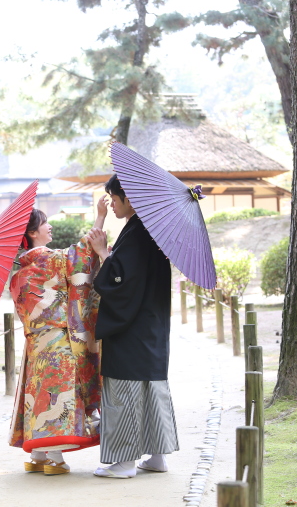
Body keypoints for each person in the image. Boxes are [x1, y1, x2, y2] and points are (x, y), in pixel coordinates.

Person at [7, 196, 108, 475]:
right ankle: (56, 459)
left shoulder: (18, 276)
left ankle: (37, 455)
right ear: (32, 232)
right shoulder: (50, 260)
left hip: (35, 345)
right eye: (45, 223)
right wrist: (100, 217)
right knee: (57, 395)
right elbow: (84, 254)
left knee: (38, 395)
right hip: (58, 343)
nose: (49, 227)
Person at [88, 174, 179, 479]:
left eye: (114, 199)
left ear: (129, 199)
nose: (112, 205)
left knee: (125, 389)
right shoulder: (148, 230)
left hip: (132, 327)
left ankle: (125, 462)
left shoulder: (138, 232)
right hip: (150, 324)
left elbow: (120, 281)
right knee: (152, 388)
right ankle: (156, 456)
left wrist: (103, 253)